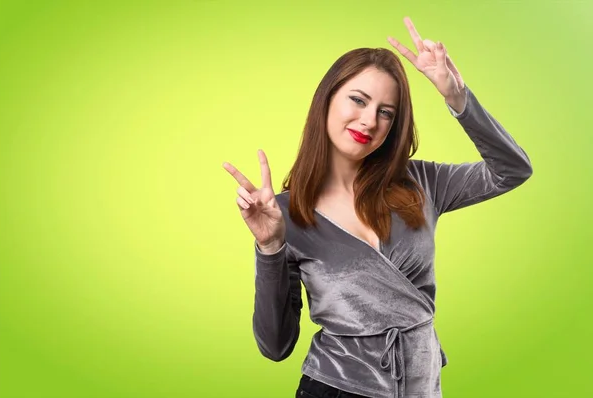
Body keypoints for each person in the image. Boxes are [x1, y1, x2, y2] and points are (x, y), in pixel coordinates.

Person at [223, 17, 532, 398]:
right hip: (335, 388)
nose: (369, 120)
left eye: (386, 112)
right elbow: (275, 346)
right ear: (327, 99)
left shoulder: (423, 183)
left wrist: (457, 97)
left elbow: (512, 170)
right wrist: (269, 248)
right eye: (358, 100)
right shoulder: (284, 215)